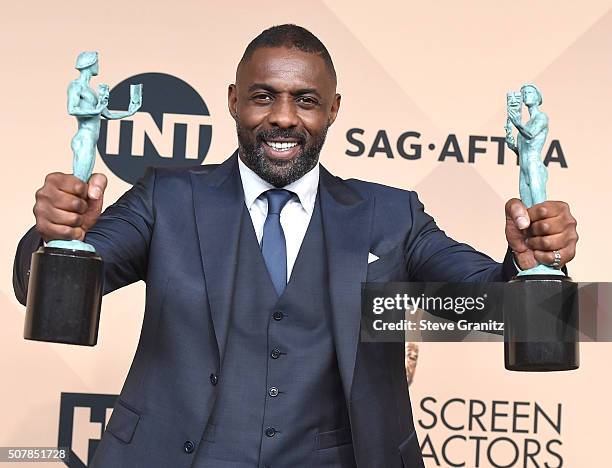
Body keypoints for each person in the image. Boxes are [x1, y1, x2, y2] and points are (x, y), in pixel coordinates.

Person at [13, 24, 578, 468]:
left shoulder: (390, 214)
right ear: (234, 101)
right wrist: (57, 236)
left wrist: (532, 267)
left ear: (333, 110)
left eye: (305, 100)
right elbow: (43, 283)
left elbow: (488, 307)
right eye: (264, 96)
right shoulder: (167, 198)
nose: (283, 117)